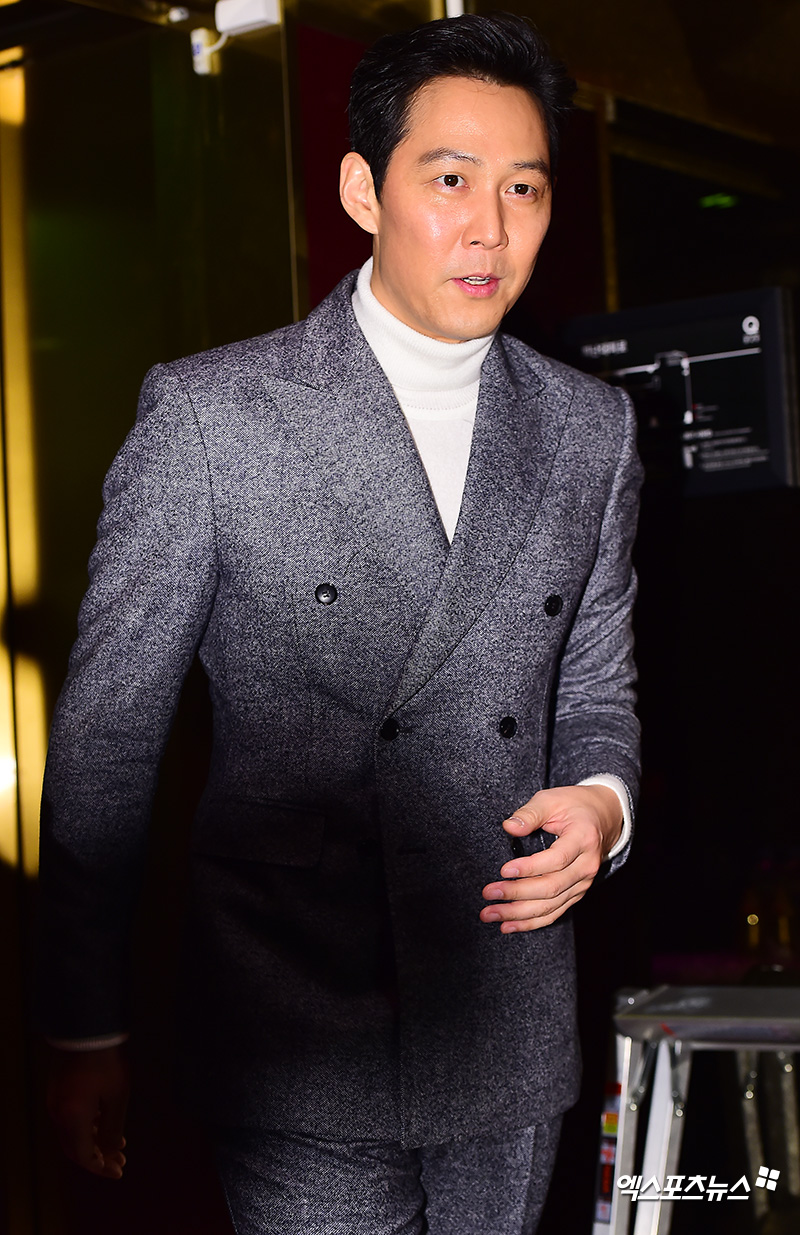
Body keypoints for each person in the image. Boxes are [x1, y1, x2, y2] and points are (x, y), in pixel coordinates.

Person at [38, 13, 642, 1234]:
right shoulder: (212, 417)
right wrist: (82, 1023)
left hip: (506, 1006)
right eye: (450, 179)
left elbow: (594, 681)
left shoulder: (589, 427)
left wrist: (600, 802)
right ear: (364, 191)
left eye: (522, 187)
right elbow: (108, 745)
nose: (490, 227)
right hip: (292, 1020)